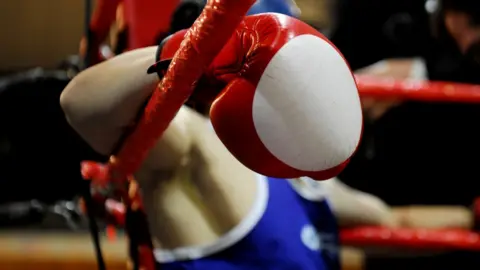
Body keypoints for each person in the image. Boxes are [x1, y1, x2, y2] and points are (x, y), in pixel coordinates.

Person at [61, 12, 377, 270]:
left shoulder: (306, 177)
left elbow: (391, 220)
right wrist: (189, 51)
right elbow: (79, 104)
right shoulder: (197, 142)